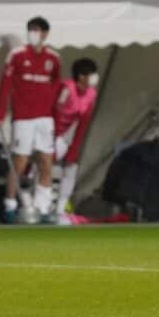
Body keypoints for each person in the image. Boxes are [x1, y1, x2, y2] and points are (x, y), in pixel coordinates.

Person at [0, 16, 62, 223]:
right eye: (30, 29)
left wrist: (56, 120)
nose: (32, 33)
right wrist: (0, 113)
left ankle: (42, 208)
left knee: (46, 162)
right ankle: (9, 206)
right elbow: (5, 84)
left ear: (45, 34)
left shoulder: (54, 58)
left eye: (36, 30)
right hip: (23, 118)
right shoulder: (15, 55)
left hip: (45, 119)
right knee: (20, 162)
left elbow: (56, 89)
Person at [53, 58, 99, 225]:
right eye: (92, 75)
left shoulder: (92, 94)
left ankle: (60, 210)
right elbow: (54, 112)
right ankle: (40, 207)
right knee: (43, 167)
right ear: (81, 76)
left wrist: (74, 149)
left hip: (65, 136)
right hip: (49, 133)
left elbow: (83, 123)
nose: (95, 78)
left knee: (72, 168)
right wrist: (49, 142)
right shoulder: (66, 88)